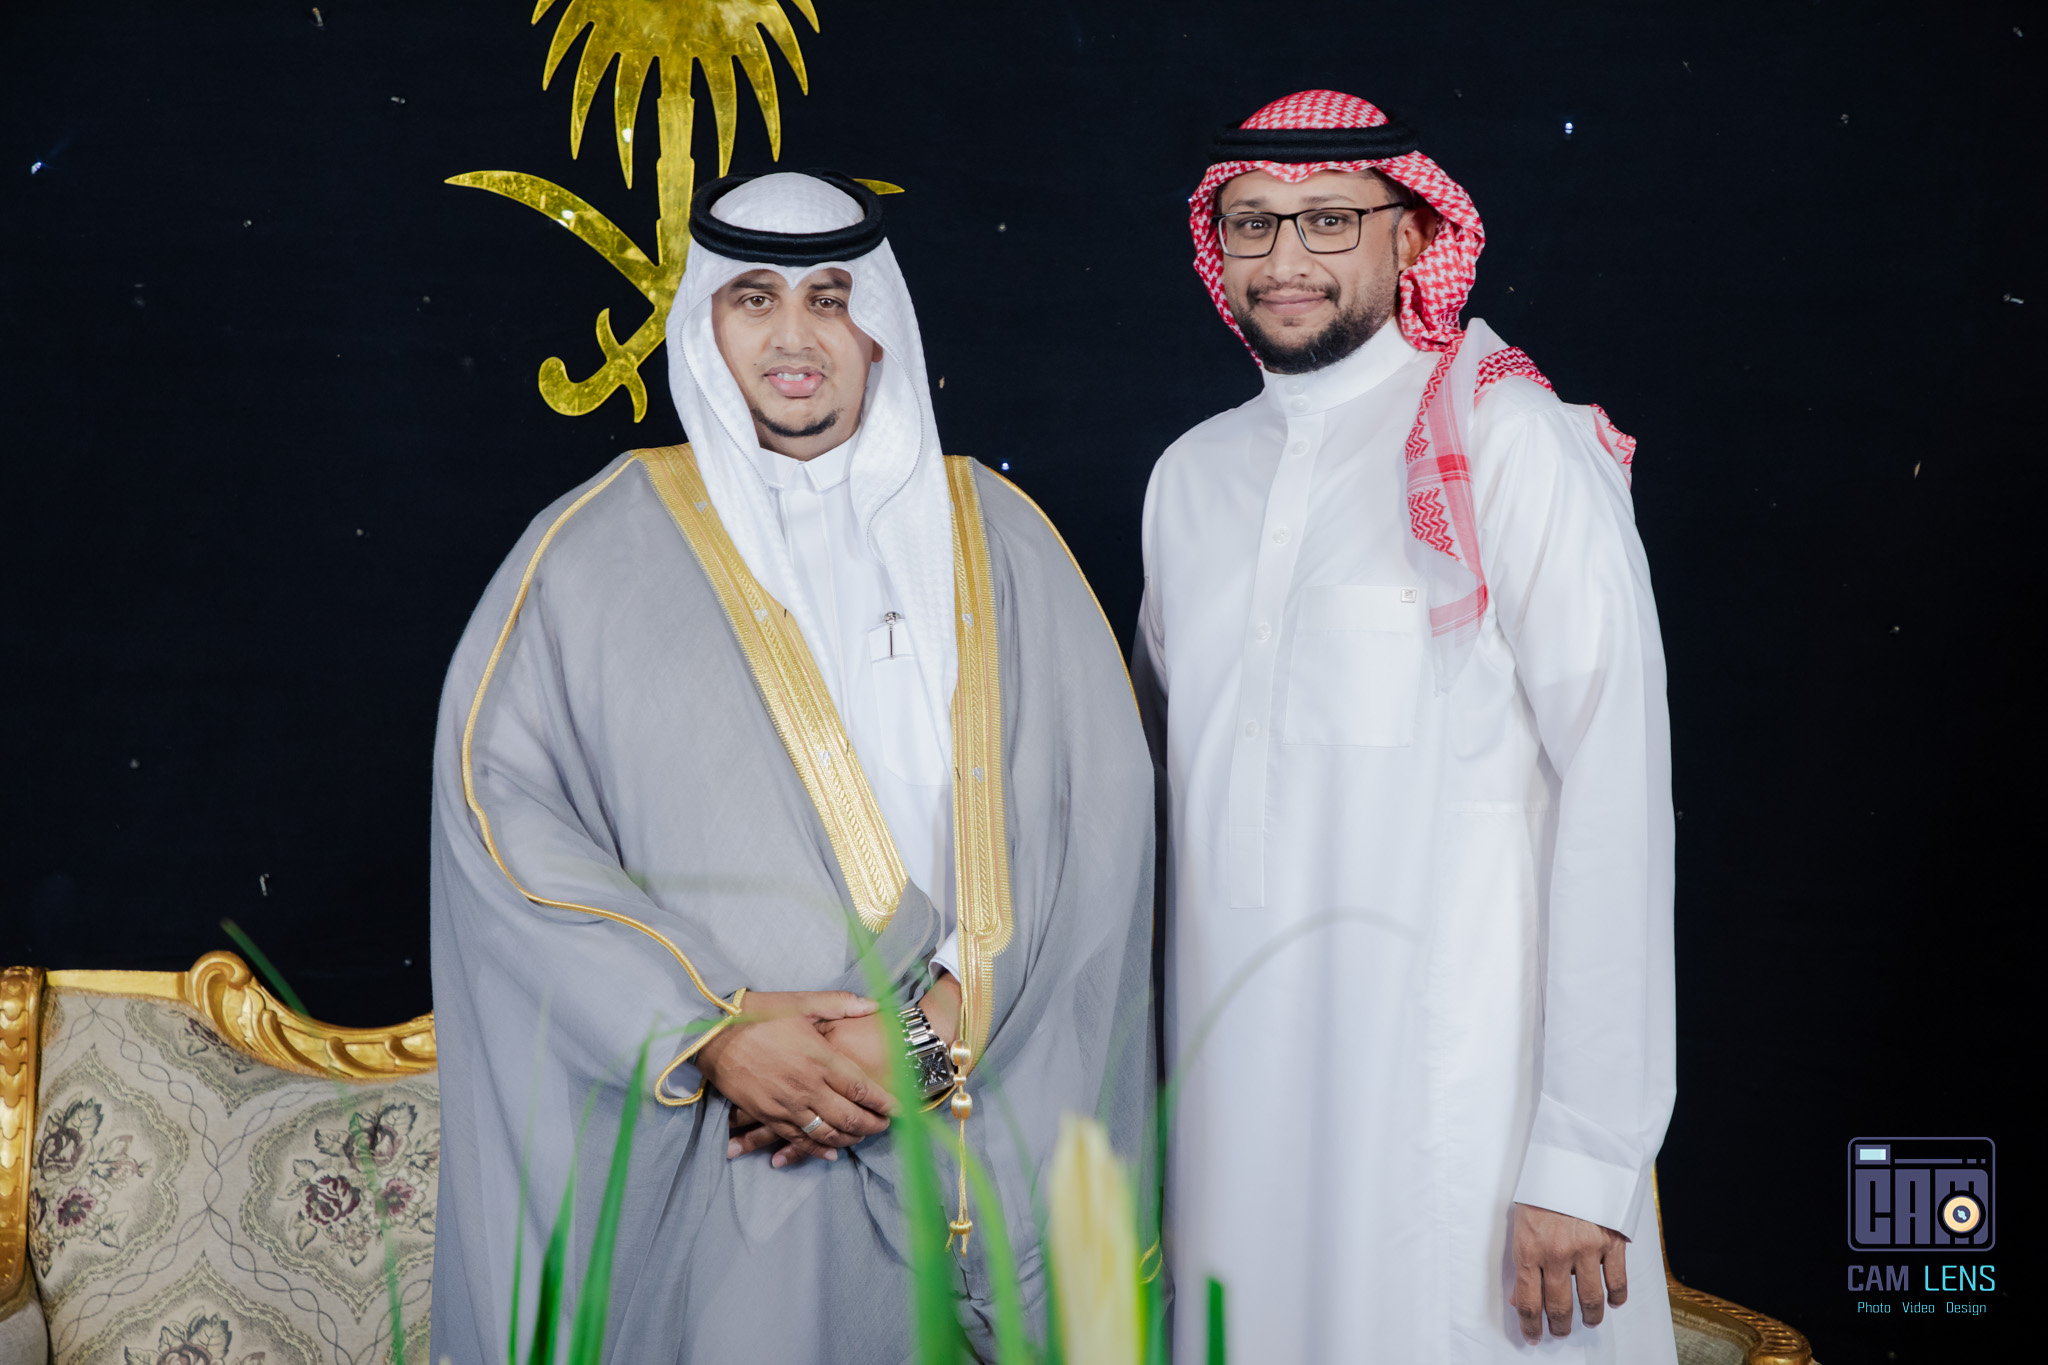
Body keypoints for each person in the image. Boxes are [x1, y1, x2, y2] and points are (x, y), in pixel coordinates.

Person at [430, 170, 1153, 1362]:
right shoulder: (591, 555)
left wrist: (924, 1037)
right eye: (753, 299)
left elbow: (1099, 821)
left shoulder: (999, 540)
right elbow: (501, 821)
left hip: (973, 1102)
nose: (793, 338)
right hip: (733, 1153)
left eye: (828, 298)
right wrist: (709, 1035)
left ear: (879, 325)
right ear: (704, 324)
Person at [1136, 90, 1677, 1362]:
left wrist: (1583, 1154)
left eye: (1327, 219)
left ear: (1412, 231)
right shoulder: (1188, 477)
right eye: (1251, 223)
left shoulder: (1503, 438)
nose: (1285, 258)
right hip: (1236, 1119)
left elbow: (1617, 789)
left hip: (1465, 1120)